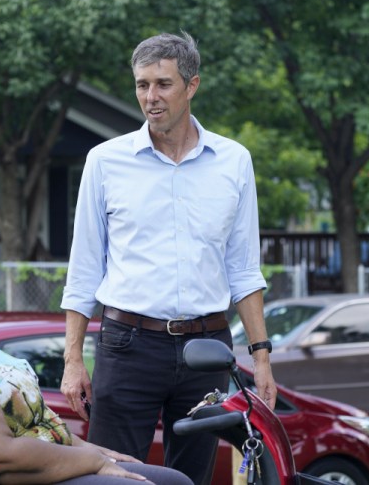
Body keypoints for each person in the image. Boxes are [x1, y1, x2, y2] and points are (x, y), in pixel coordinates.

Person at [60, 32, 278, 484]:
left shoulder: (234, 161)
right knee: (115, 477)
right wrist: (73, 359)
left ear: (191, 85)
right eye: (142, 85)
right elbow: (83, 269)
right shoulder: (104, 161)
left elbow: (243, 268)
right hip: (127, 344)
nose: (150, 97)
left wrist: (261, 358)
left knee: (193, 479)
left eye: (162, 84)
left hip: (207, 348)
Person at [0, 209, 193, 485]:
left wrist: (90, 450)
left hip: (41, 466)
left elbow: (27, 427)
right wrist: (92, 462)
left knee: (174, 481)